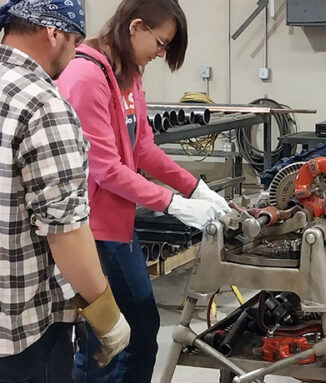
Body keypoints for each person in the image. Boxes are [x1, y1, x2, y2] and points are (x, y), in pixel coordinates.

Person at [56, 0, 231, 381]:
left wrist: (196, 188)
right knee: (104, 340)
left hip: (119, 225)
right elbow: (106, 170)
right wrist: (173, 204)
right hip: (92, 231)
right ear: (136, 27)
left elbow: (143, 149)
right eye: (161, 42)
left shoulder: (128, 74)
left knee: (139, 332)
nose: (161, 53)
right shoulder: (86, 78)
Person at [0, 1, 131, 382]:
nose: (74, 55)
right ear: (54, 34)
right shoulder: (43, 104)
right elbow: (65, 231)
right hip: (21, 334)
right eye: (74, 43)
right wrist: (108, 317)